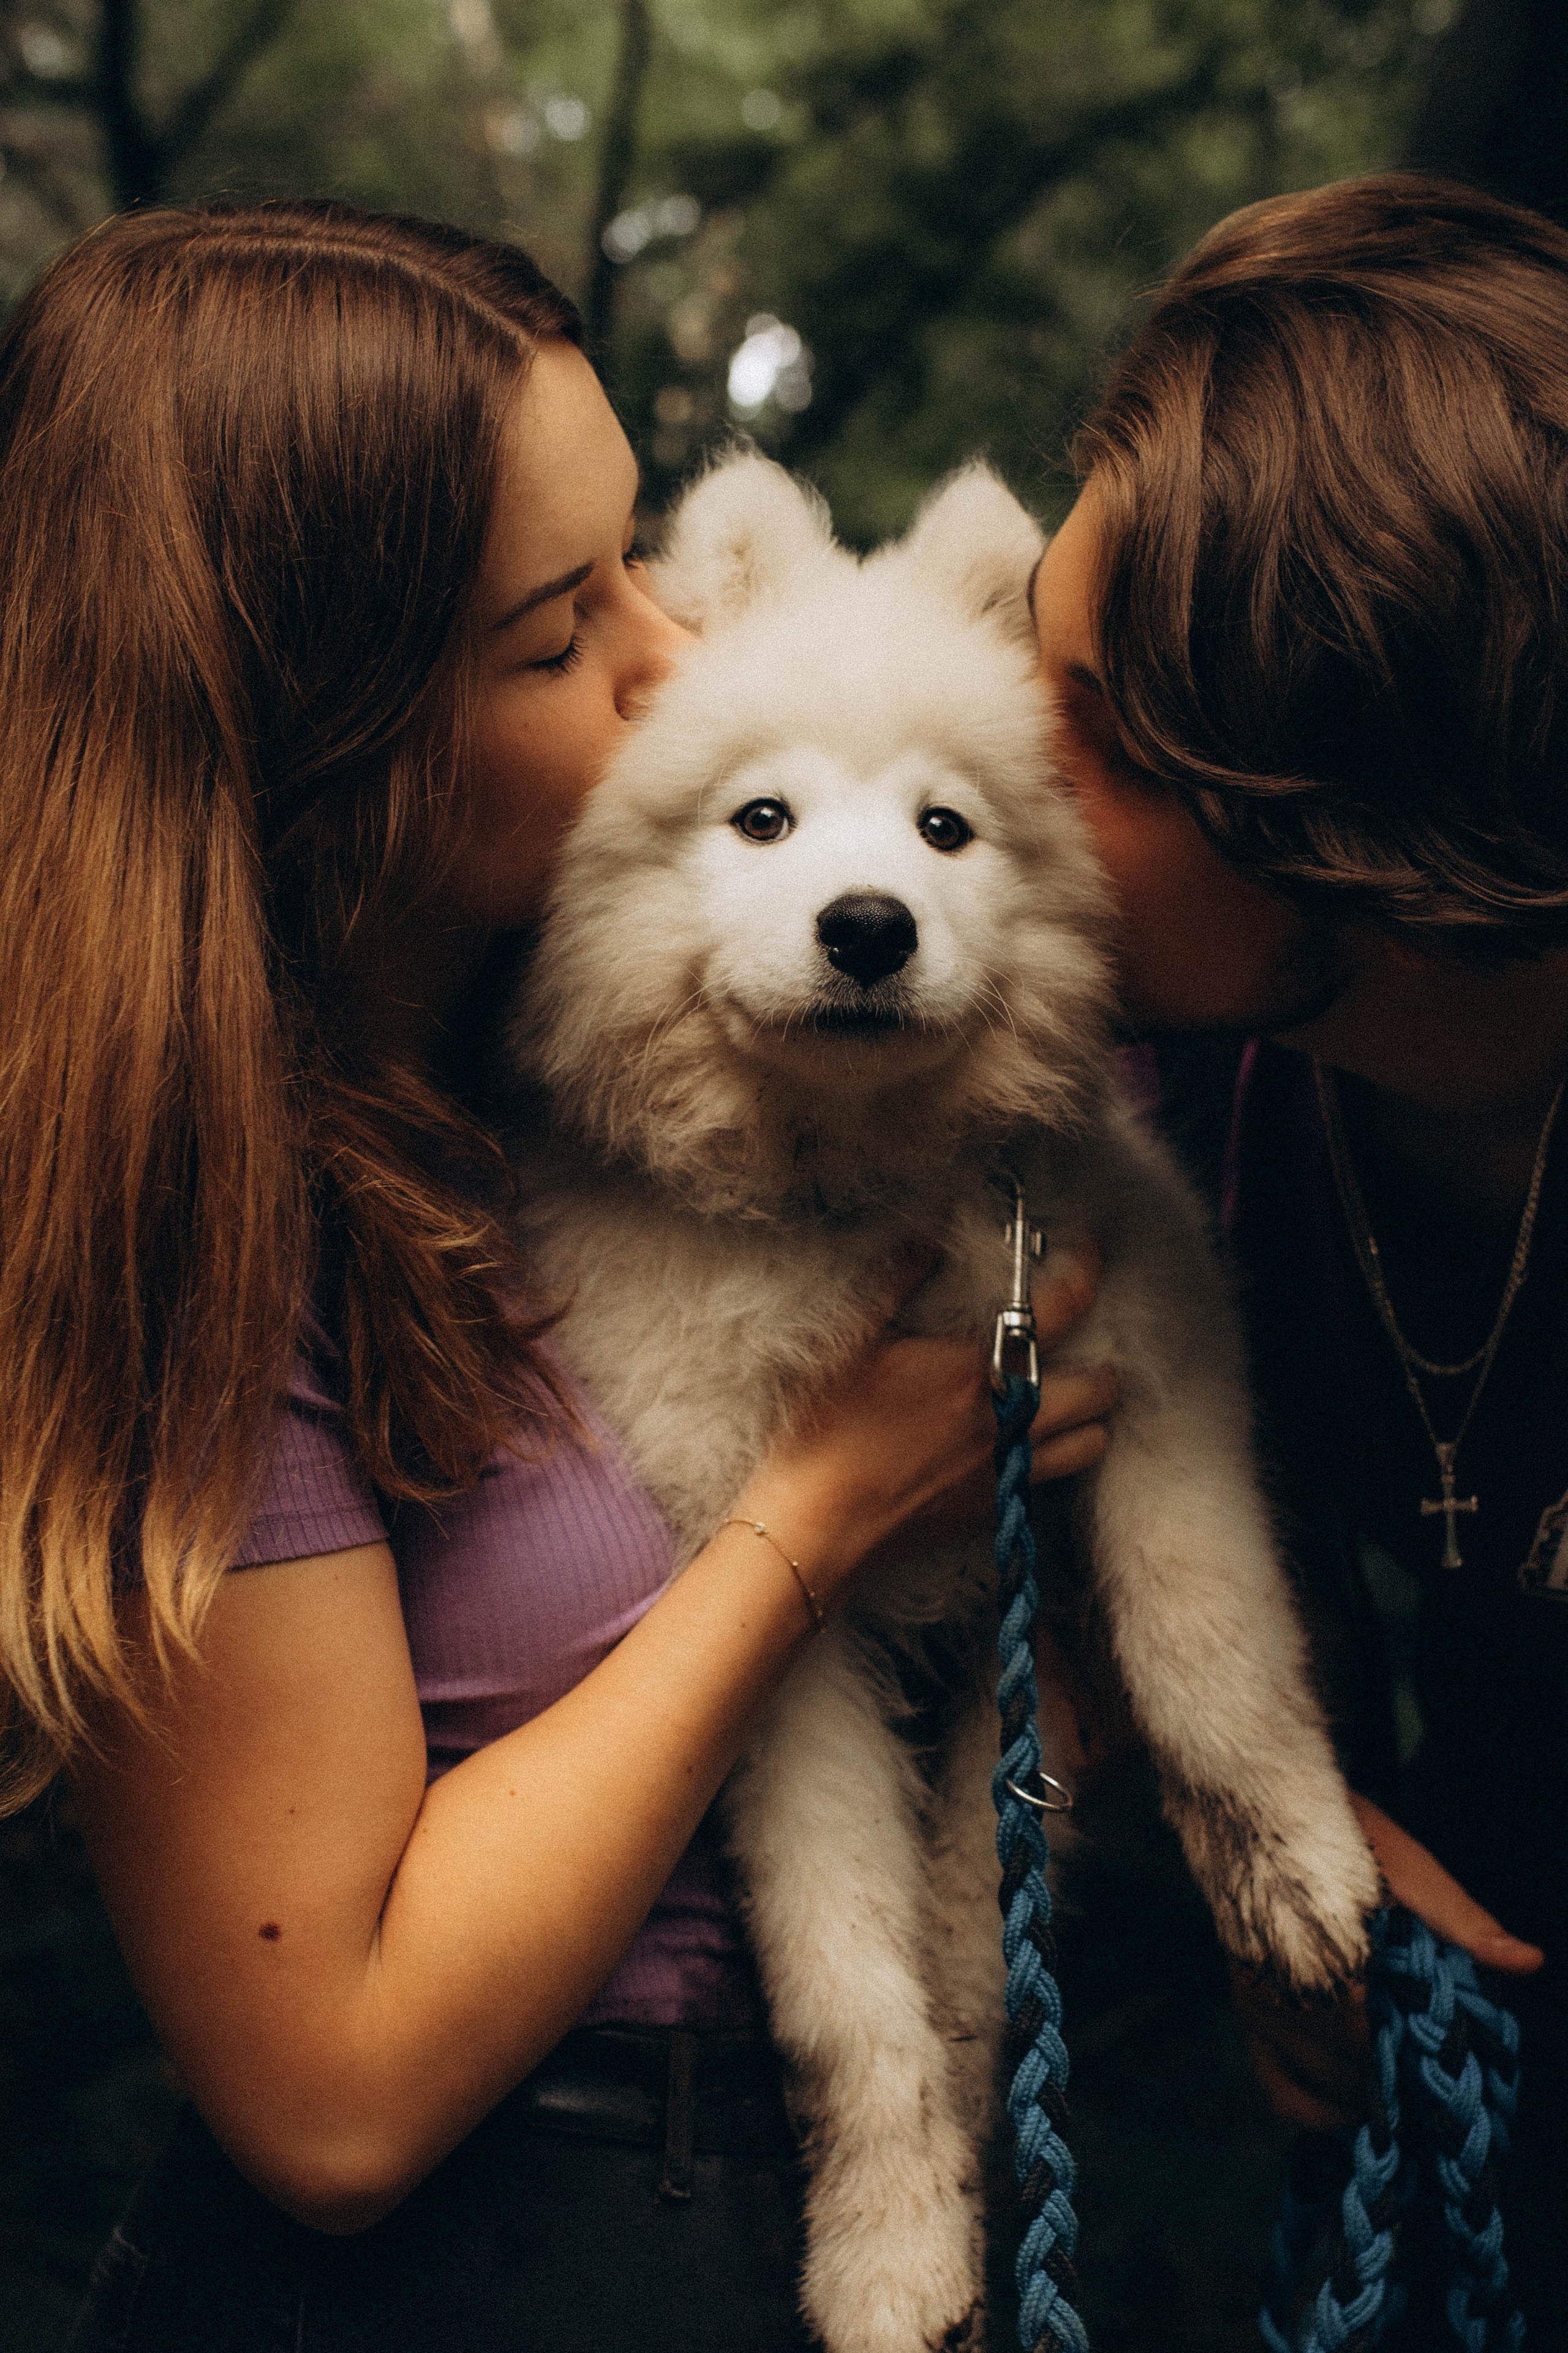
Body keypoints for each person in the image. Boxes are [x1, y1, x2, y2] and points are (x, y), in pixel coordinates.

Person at [0, 201, 1117, 2352]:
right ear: (331, 728)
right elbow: (327, 2084)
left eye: (642, 569)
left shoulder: (638, 1041)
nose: (669, 660)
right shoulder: (206, 1216)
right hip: (485, 2258)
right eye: (555, 629)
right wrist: (813, 1519)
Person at [1030, 170, 1568, 2341]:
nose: (982, 758)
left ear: (1327, 799)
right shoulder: (1171, 1104)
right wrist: (1293, 1821)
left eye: (1073, 711)